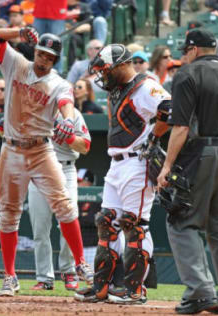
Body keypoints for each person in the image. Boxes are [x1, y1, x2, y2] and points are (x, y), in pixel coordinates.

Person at [157, 28, 218, 315]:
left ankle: (200, 291)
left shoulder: (186, 75)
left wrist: (166, 166)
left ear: (193, 50)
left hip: (200, 154)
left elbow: (181, 127)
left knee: (181, 222)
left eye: (185, 51)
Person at [0, 29, 94, 297]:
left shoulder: (59, 83)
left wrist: (69, 121)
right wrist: (17, 32)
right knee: (9, 213)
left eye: (49, 56)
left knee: (64, 206)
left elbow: (66, 102)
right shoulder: (17, 64)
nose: (43, 59)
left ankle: (80, 265)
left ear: (55, 59)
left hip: (41, 150)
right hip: (12, 149)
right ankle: (10, 275)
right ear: (34, 51)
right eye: (41, 53)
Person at [75, 44, 171, 304]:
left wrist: (154, 137)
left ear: (121, 65)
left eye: (106, 70)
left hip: (138, 162)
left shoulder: (145, 85)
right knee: (106, 222)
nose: (103, 75)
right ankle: (101, 287)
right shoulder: (117, 90)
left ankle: (134, 290)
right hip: (116, 163)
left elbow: (169, 108)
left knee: (134, 225)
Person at [28, 108, 91, 291]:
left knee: (68, 221)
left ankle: (69, 271)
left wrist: (68, 137)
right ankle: (44, 278)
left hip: (66, 169)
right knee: (40, 228)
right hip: (39, 171)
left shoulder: (73, 115)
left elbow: (85, 147)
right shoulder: (34, 111)